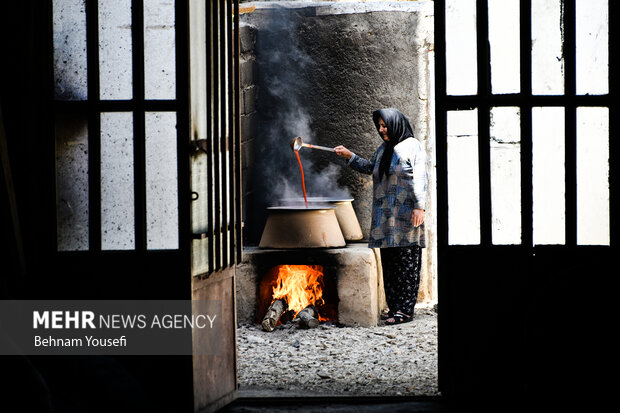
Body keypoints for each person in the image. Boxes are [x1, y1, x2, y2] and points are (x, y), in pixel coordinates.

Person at [334, 108, 428, 325]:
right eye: (379, 126)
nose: (381, 129)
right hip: (385, 217)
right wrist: (349, 156)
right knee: (391, 263)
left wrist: (419, 207)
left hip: (406, 215)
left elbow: (421, 177)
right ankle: (394, 307)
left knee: (407, 263)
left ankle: (405, 310)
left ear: (396, 124)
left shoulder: (412, 146)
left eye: (385, 125)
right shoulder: (385, 148)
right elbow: (370, 167)